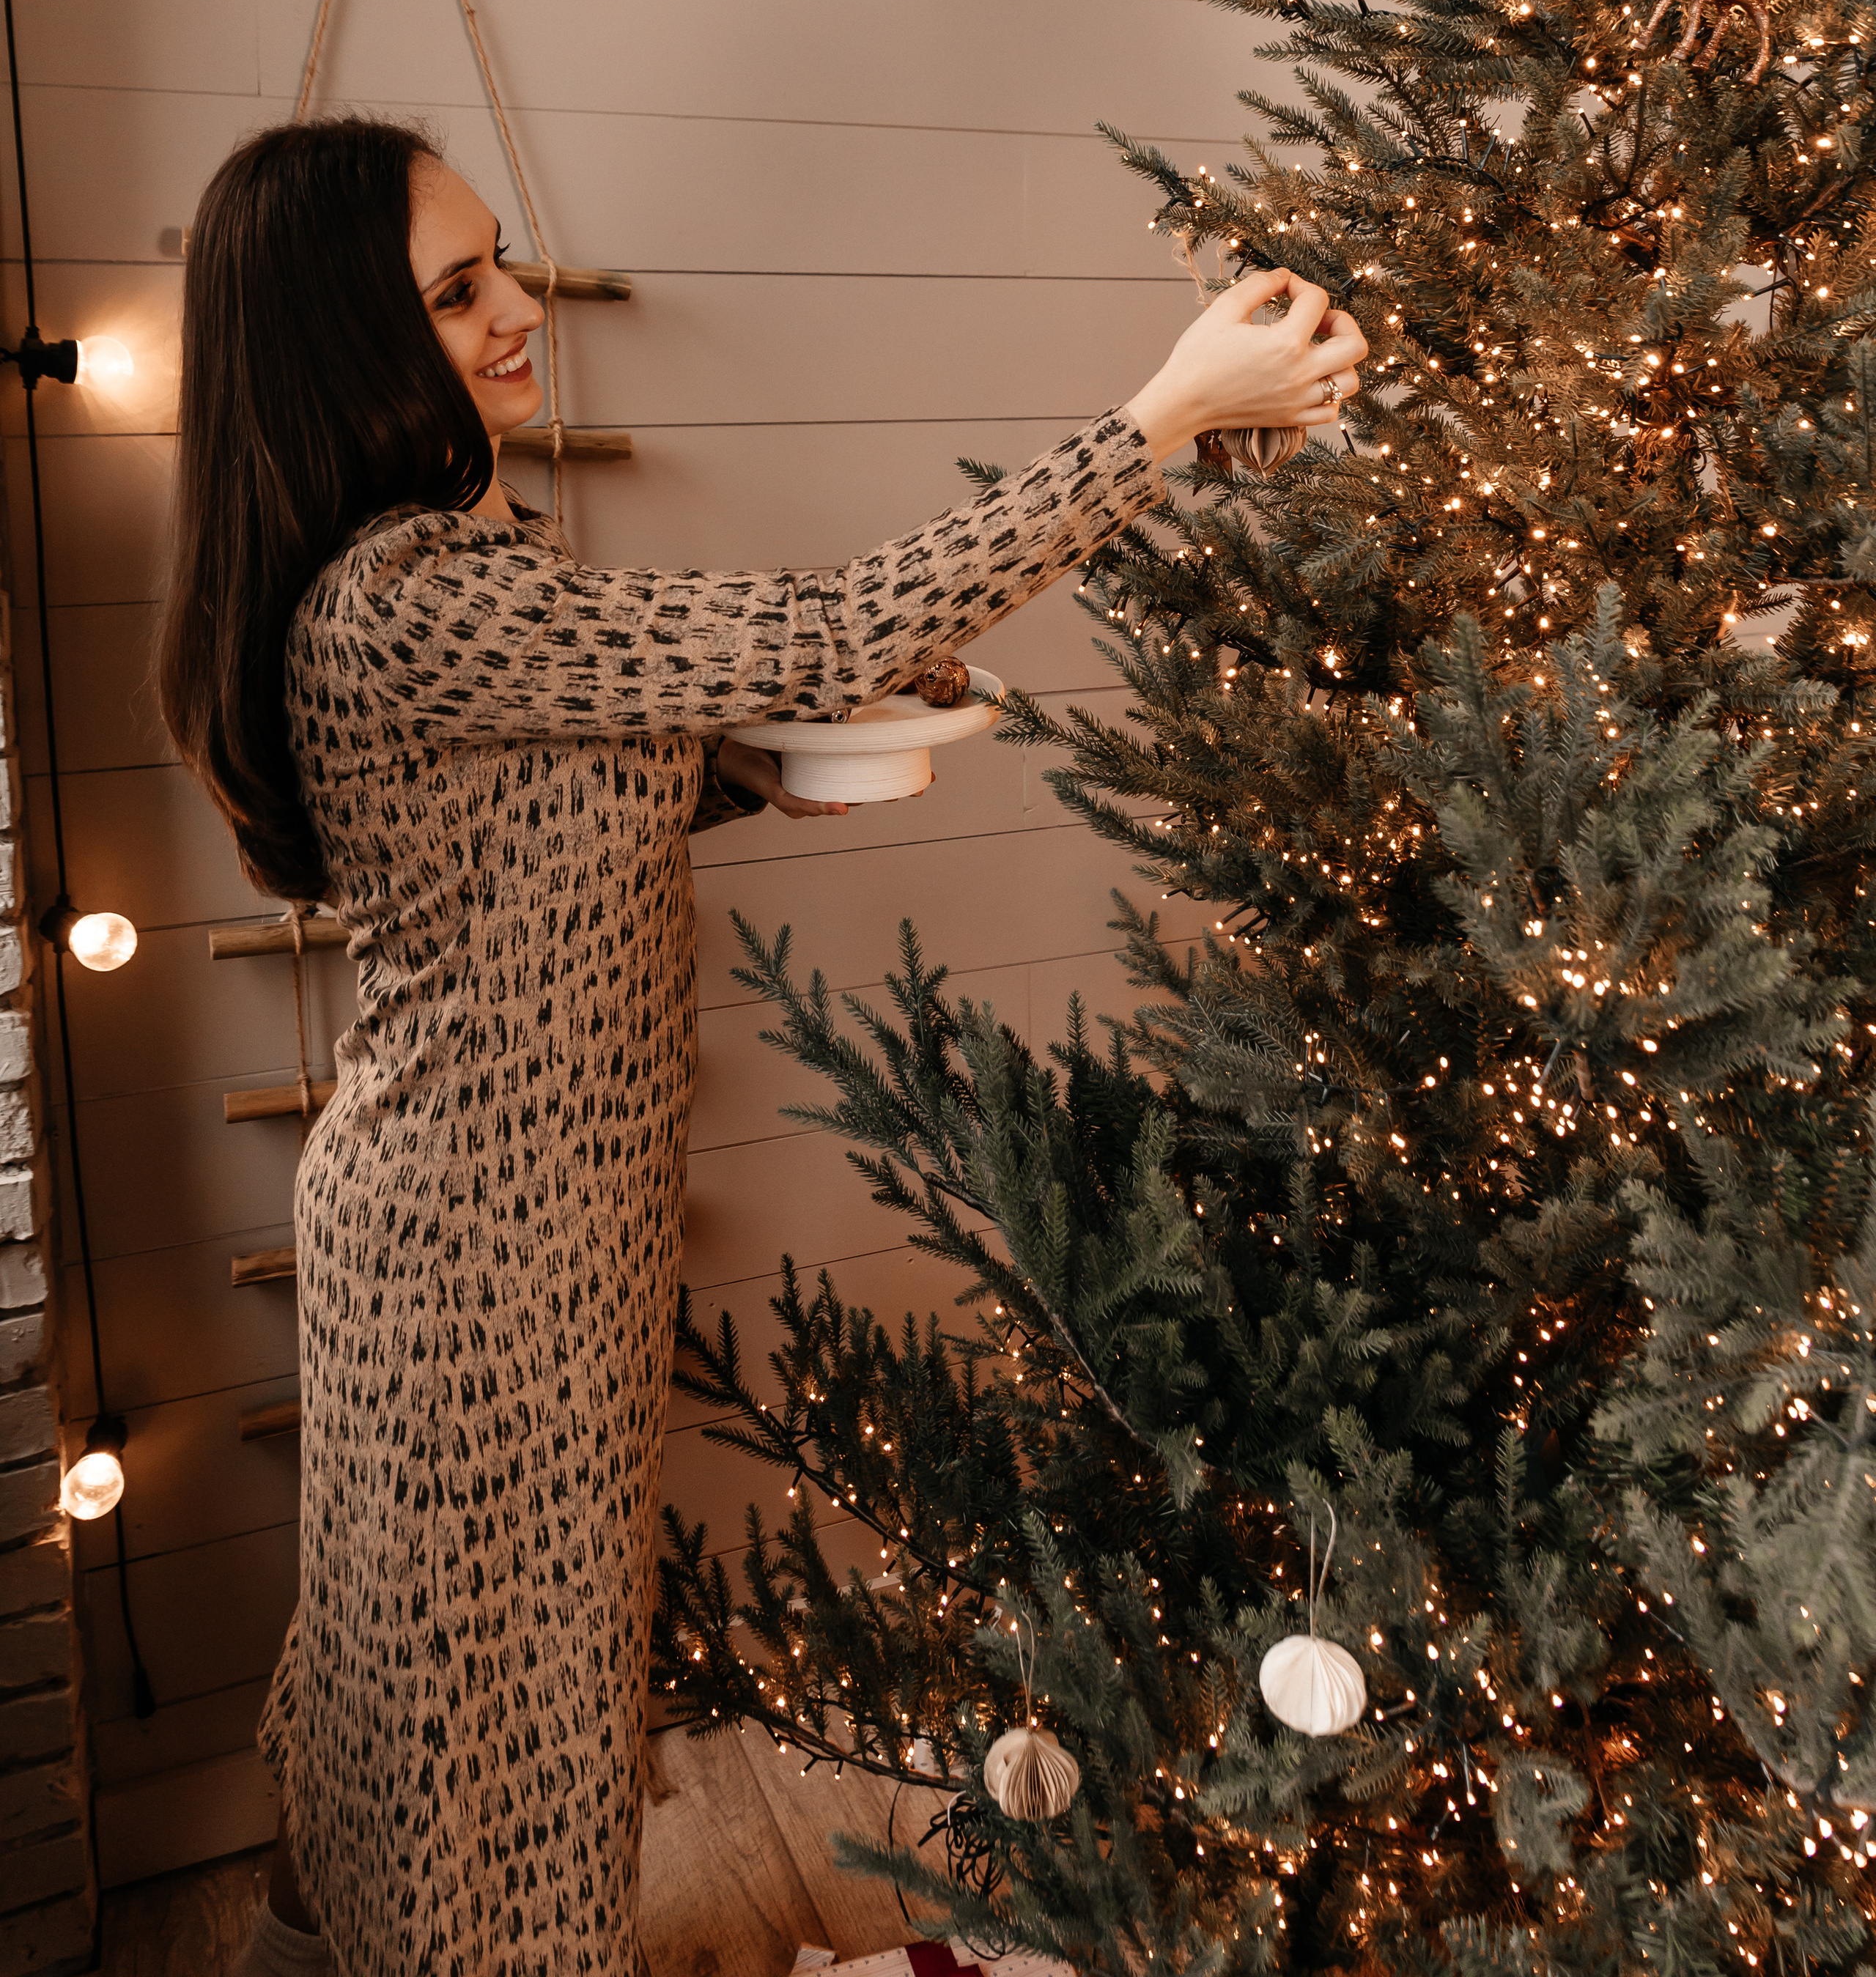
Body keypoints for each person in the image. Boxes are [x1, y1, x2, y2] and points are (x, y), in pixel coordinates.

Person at [160, 115, 1364, 1977]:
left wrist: (723, 779)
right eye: (455, 288)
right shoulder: (413, 598)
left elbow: (504, 841)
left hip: (512, 1232)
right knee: (502, 1771)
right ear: (342, 339)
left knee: (438, 1714)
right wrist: (1161, 421)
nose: (513, 309)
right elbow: (814, 626)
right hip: (480, 1263)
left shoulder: (450, 578)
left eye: (501, 262)